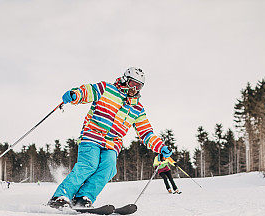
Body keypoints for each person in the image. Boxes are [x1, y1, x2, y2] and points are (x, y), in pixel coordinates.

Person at [49, 67, 173, 208]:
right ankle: (60, 196)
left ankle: (83, 198)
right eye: (133, 84)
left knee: (109, 169)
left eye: (139, 86)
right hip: (92, 134)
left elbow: (146, 132)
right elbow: (88, 91)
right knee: (89, 165)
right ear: (126, 80)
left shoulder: (137, 108)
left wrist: (160, 146)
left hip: (113, 143)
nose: (135, 89)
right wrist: (75, 94)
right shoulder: (106, 89)